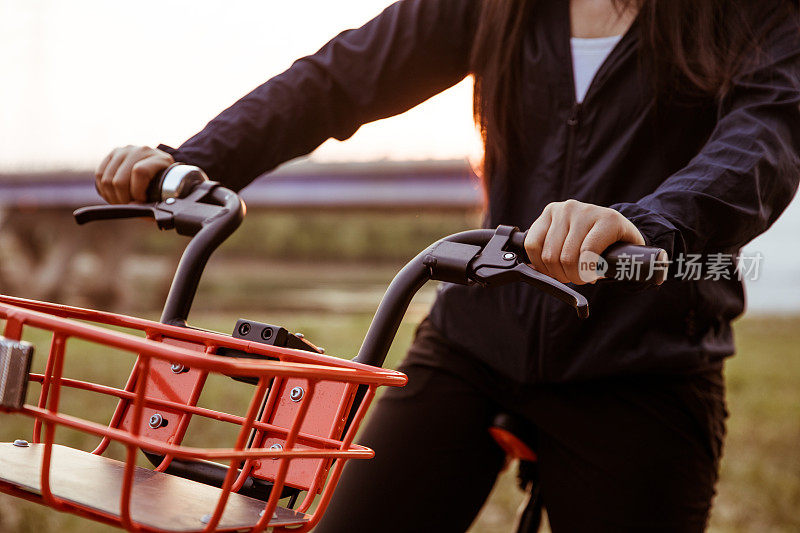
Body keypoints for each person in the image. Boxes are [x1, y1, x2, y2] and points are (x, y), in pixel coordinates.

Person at [95, 0, 800, 531]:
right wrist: (198, 158)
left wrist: (648, 223)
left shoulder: (748, 13)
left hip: (642, 357)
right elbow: (343, 77)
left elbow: (764, 139)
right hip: (477, 334)